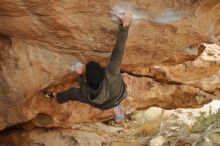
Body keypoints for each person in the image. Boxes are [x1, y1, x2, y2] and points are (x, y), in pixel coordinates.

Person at [43, 11, 132, 110]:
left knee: (73, 92)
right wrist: (126, 25)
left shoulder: (86, 94)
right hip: (117, 95)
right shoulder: (112, 72)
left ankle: (55, 96)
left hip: (103, 104)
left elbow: (83, 86)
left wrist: (80, 75)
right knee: (75, 92)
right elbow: (119, 51)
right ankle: (56, 96)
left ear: (88, 82)